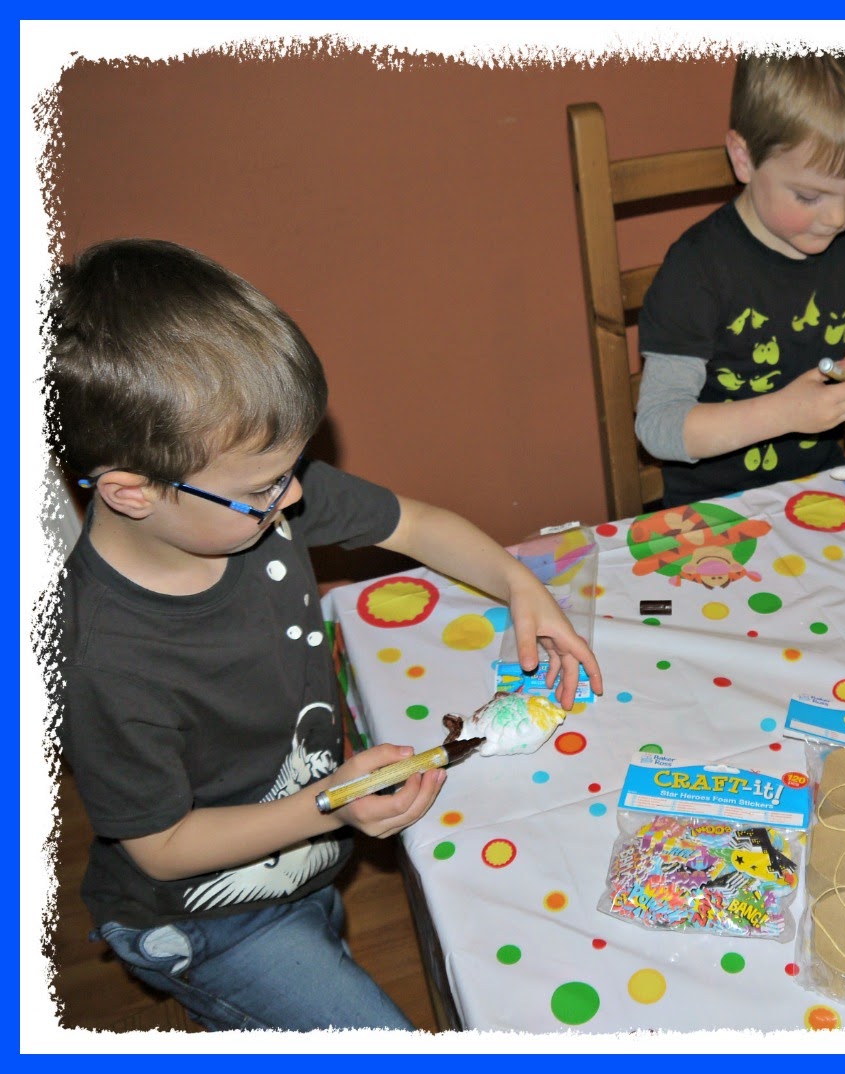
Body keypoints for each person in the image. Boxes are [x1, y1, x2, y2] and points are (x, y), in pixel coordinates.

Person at [44, 238, 603, 1032]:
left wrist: (521, 587)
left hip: (302, 864)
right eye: (267, 485)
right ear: (134, 493)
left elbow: (415, 523)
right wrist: (331, 806)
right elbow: (161, 846)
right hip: (209, 920)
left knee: (320, 951)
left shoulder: (251, 497)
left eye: (294, 465)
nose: (298, 492)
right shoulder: (98, 655)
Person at [635, 50, 845, 507]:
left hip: (818, 492)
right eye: (810, 196)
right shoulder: (697, 269)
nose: (836, 217)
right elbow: (658, 427)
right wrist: (784, 413)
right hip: (714, 509)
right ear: (744, 158)